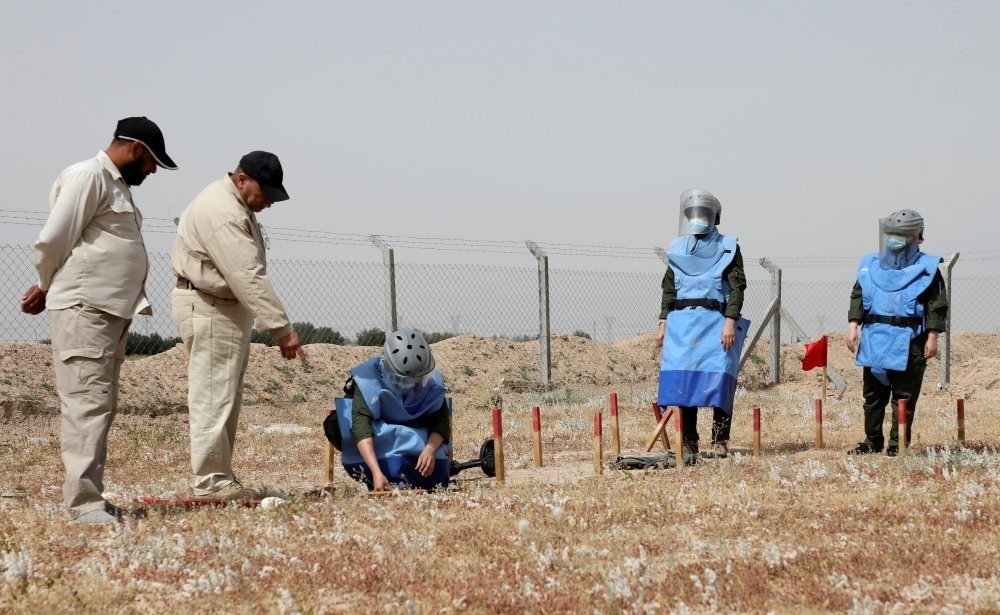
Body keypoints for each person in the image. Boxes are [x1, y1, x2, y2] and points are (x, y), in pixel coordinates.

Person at [21, 117, 178, 524]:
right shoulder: (88, 176)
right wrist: (45, 283)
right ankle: (82, 506)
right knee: (86, 403)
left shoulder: (115, 185)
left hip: (108, 311)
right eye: (152, 161)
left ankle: (91, 496)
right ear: (135, 148)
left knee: (99, 404)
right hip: (85, 309)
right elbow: (54, 238)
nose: (153, 170)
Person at [170, 151, 307, 500]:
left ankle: (219, 474)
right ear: (242, 179)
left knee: (223, 393)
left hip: (220, 307)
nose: (269, 203)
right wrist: (282, 328)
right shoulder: (224, 212)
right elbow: (247, 275)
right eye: (266, 194)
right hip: (210, 306)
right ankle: (211, 481)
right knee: (214, 395)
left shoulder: (234, 205)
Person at [656, 189, 749, 459]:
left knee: (719, 380)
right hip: (683, 325)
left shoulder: (728, 247)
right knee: (685, 382)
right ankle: (689, 441)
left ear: (714, 216)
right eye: (693, 213)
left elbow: (737, 288)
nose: (698, 218)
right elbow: (669, 289)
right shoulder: (677, 249)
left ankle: (720, 440)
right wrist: (663, 321)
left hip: (717, 324)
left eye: (703, 213)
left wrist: (730, 321)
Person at [846, 209, 948, 457]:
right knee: (873, 396)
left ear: (916, 237)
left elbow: (936, 303)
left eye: (902, 234)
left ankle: (897, 445)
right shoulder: (870, 265)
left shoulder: (926, 267)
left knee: (903, 397)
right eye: (891, 233)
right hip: (874, 337)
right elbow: (858, 295)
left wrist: (932, 336)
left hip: (910, 340)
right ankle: (872, 442)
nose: (894, 239)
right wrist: (853, 326)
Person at [323, 329, 451, 491]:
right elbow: (361, 429)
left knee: (436, 451)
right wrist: (376, 472)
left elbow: (441, 421)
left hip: (420, 439)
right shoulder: (368, 381)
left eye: (419, 379)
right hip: (381, 440)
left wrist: (430, 450)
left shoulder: (433, 382)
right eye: (405, 380)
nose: (412, 384)